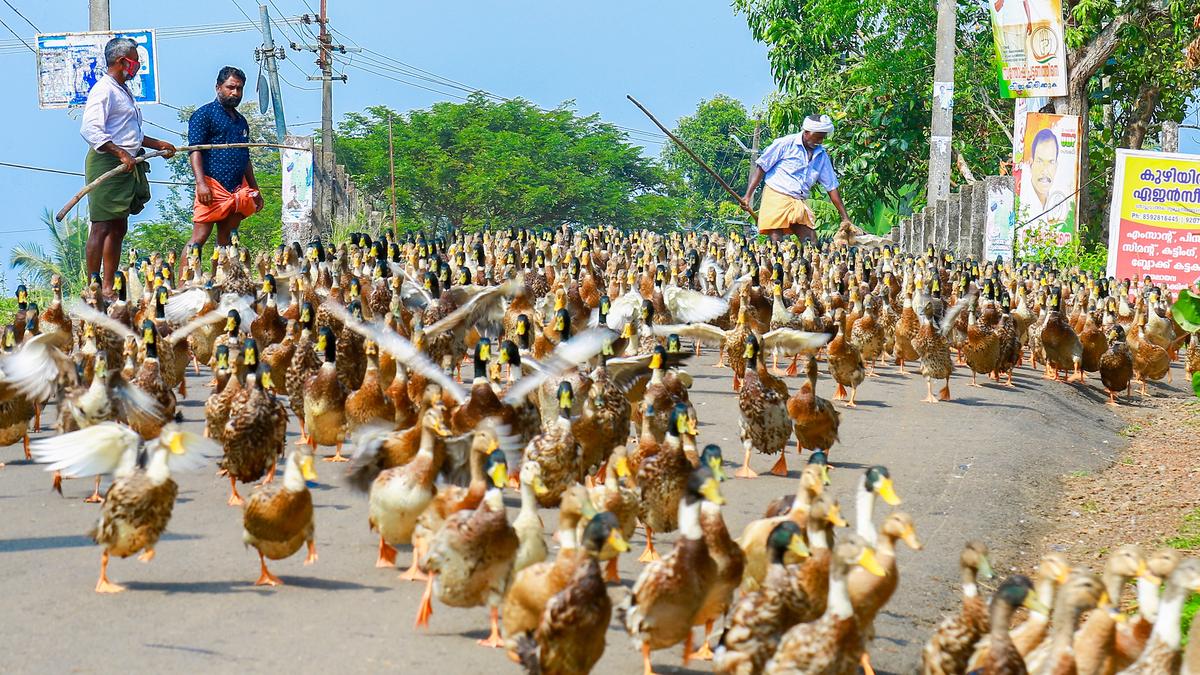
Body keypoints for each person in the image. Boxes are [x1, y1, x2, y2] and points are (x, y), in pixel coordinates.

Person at [80, 36, 176, 293]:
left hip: (128, 162)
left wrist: (159, 144)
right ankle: (94, 286)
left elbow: (128, 133)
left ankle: (109, 286)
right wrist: (120, 154)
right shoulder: (104, 89)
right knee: (101, 225)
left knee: (119, 225)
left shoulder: (123, 89)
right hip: (107, 162)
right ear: (123, 61)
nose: (138, 65)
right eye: (135, 60)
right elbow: (91, 130)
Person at [187, 66, 263, 265]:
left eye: (239, 89)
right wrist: (201, 184)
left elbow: (245, 158)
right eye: (230, 87)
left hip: (236, 189)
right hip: (211, 187)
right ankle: (182, 287)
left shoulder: (241, 121)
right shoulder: (204, 115)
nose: (235, 93)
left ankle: (219, 284)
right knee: (199, 238)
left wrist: (255, 189)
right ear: (218, 87)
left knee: (226, 241)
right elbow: (194, 150)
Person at [741, 114, 853, 244]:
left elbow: (832, 187)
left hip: (798, 201)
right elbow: (761, 167)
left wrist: (845, 217)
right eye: (817, 137)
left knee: (811, 242)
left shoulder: (821, 155)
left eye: (822, 138)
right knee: (776, 241)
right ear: (806, 132)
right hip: (776, 196)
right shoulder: (785, 144)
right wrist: (748, 196)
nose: (820, 141)